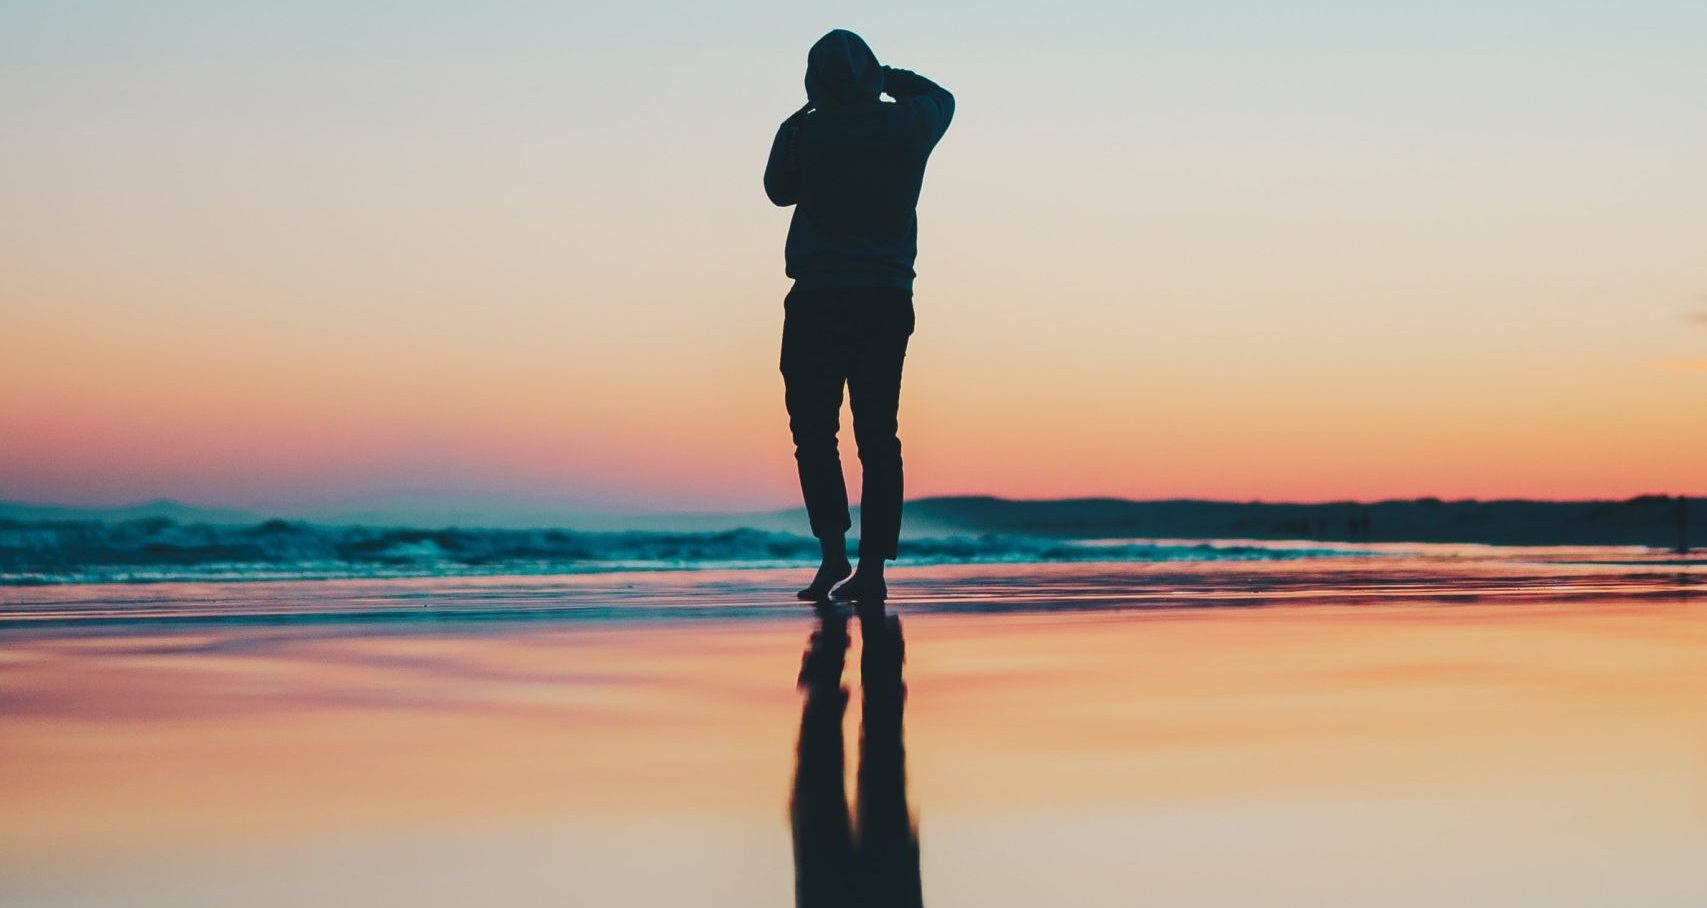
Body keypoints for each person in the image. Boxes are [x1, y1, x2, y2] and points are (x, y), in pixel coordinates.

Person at [764, 29, 955, 602]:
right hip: (884, 296)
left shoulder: (804, 129)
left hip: (819, 295)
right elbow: (940, 97)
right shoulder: (907, 126)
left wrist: (810, 111)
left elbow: (777, 191)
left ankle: (831, 560)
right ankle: (871, 570)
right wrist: (886, 79)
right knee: (878, 435)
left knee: (814, 434)